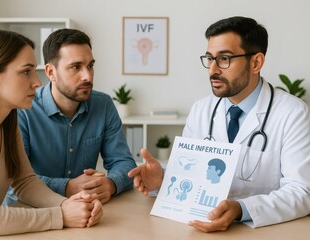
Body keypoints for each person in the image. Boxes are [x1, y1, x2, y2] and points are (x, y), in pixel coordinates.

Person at [128, 16, 310, 232]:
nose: (212, 70)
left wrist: (242, 209)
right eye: (209, 58)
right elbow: (191, 175)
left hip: (263, 232)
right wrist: (163, 179)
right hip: (200, 228)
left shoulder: (292, 113)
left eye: (224, 59)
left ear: (256, 62)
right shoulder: (201, 110)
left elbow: (301, 190)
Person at [0, 29, 102, 240]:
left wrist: (71, 205)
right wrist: (61, 215)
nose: (38, 82)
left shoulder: (7, 123)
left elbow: (25, 182)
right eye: (26, 71)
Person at [4, 28, 136, 206]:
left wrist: (110, 184)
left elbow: (124, 162)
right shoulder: (23, 110)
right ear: (51, 72)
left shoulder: (103, 105)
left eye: (90, 66)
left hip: (85, 209)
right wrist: (67, 187)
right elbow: (13, 180)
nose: (87, 76)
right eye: (76, 67)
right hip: (31, 210)